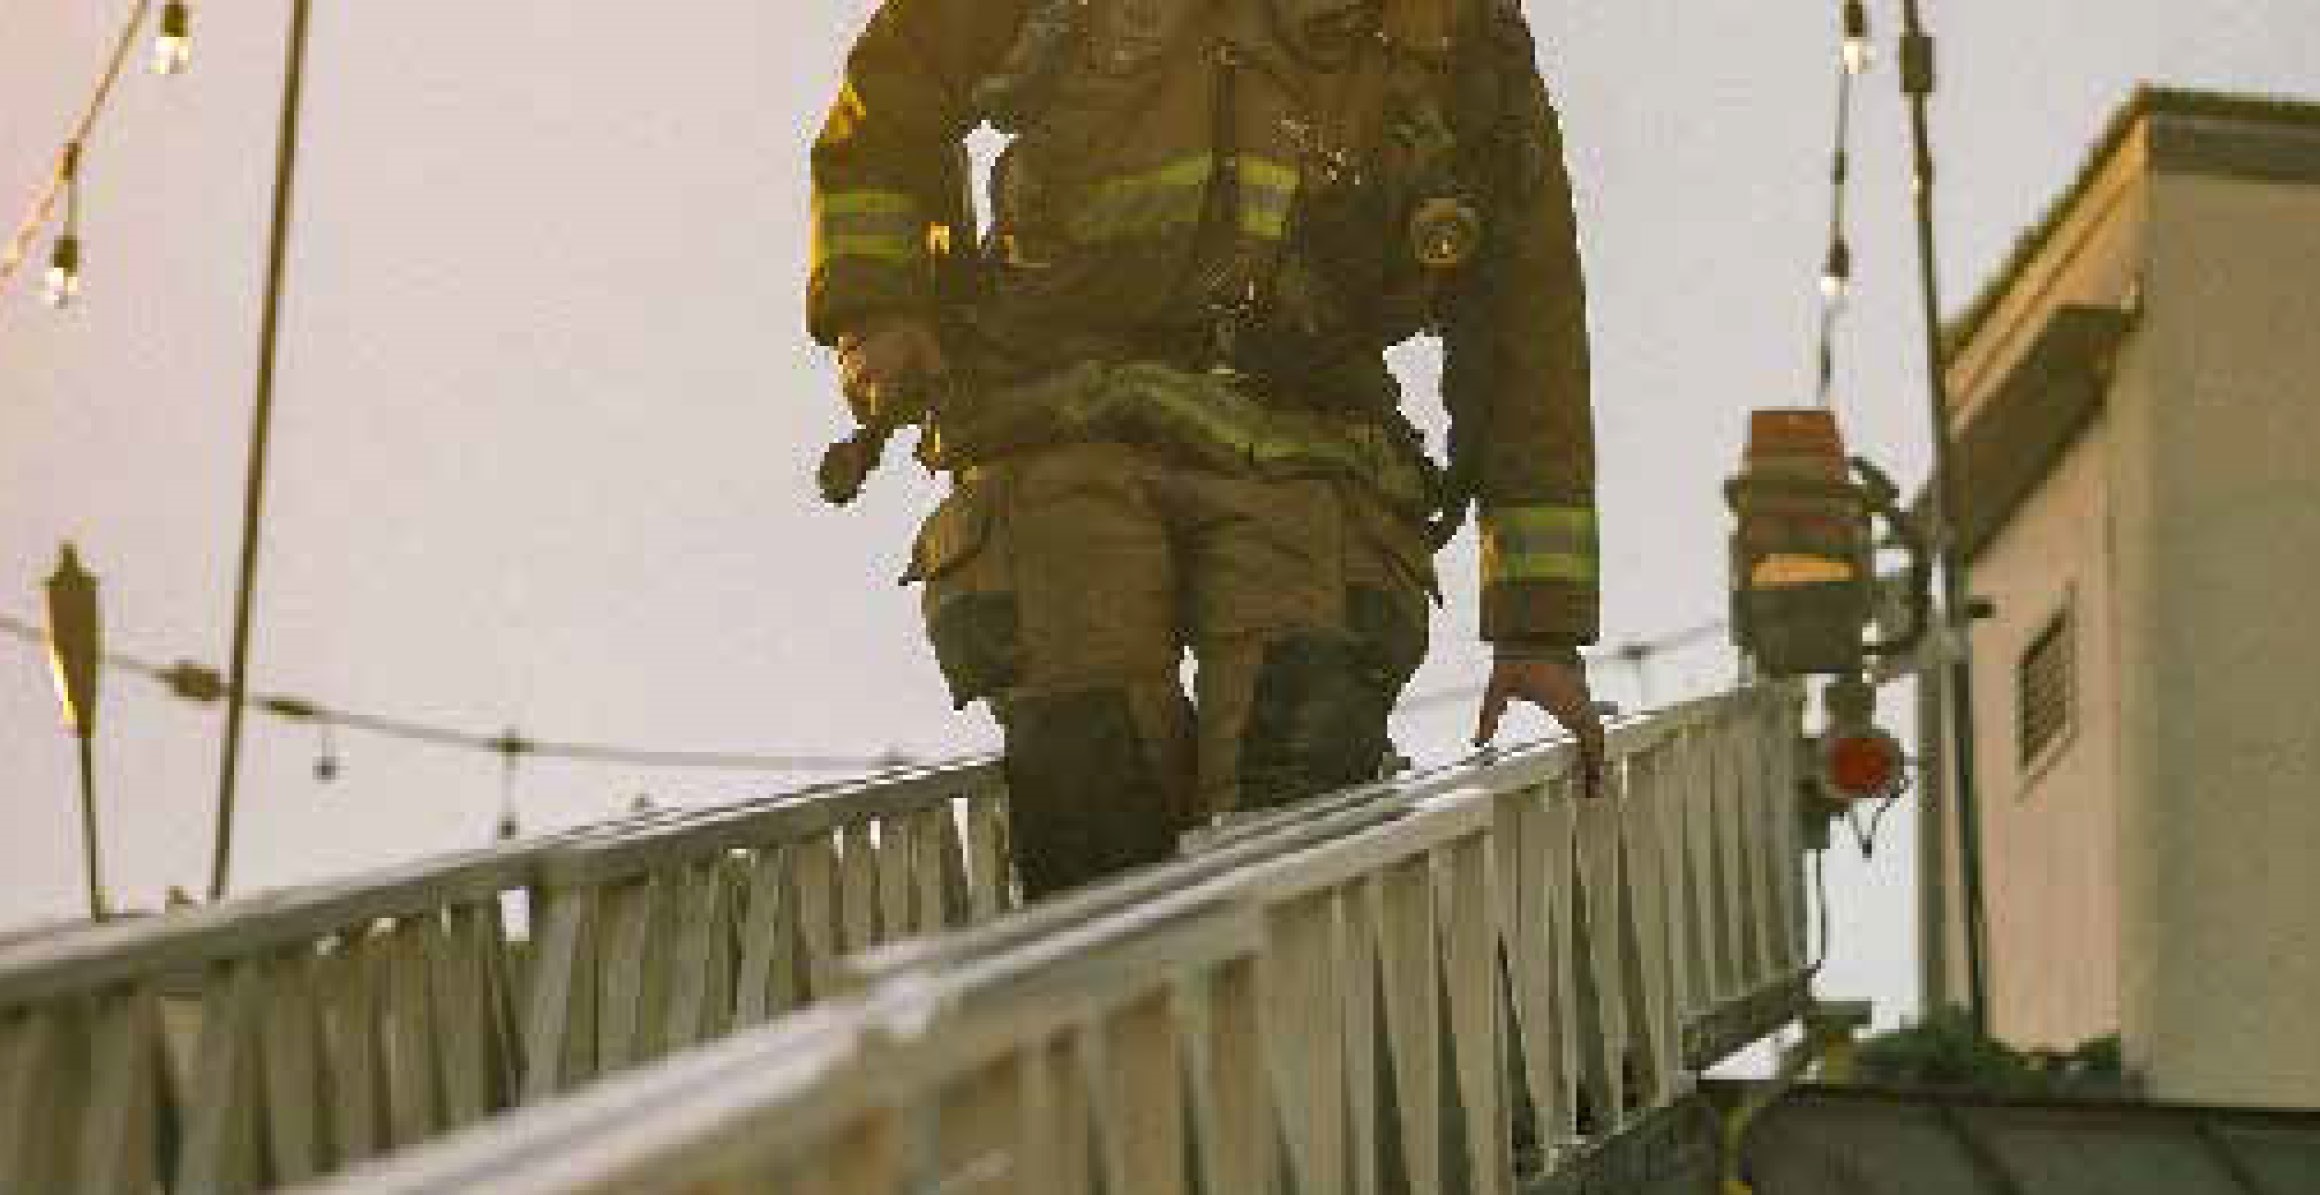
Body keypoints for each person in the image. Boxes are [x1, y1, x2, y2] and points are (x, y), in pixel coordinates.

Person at [810, 0, 1603, 898]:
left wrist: (1540, 628)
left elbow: (1526, 326)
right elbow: (893, 94)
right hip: (1061, 423)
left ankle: (1262, 975)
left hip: (1310, 450)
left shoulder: (1458, 34)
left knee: (1297, 794)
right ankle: (1120, 978)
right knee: (1092, 779)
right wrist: (876, 308)